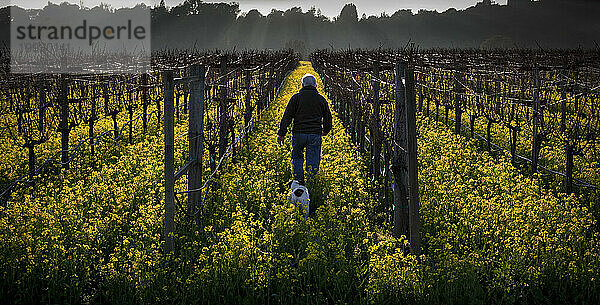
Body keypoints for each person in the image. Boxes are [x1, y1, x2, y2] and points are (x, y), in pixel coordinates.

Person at [277, 73, 332, 186]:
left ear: (302, 85)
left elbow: (287, 116)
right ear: (316, 85)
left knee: (297, 156)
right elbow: (328, 117)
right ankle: (311, 183)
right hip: (315, 134)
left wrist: (282, 133)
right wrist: (326, 130)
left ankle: (298, 181)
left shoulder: (295, 98)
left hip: (298, 133)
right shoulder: (321, 99)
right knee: (313, 159)